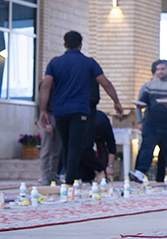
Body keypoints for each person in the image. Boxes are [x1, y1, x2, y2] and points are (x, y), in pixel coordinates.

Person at [40, 31, 123, 186]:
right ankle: (70, 181)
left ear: (64, 44)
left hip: (60, 111)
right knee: (75, 145)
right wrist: (116, 102)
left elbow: (45, 86)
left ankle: (69, 178)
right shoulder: (88, 62)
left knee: (66, 145)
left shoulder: (55, 63)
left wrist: (43, 110)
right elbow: (105, 83)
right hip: (79, 110)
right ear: (80, 45)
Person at [133, 60, 167, 182]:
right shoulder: (150, 85)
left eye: (162, 69)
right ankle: (140, 172)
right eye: (158, 69)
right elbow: (144, 100)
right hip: (152, 123)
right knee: (147, 147)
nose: (160, 72)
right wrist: (140, 106)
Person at [77, 110, 117, 183]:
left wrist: (109, 166)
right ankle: (88, 175)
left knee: (102, 150)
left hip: (99, 123)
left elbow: (112, 147)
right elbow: (85, 151)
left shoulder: (106, 127)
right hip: (85, 128)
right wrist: (99, 168)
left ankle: (102, 175)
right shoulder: (87, 131)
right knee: (83, 153)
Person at [37, 78, 63, 185]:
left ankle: (53, 175)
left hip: (59, 116)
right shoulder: (45, 84)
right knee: (46, 148)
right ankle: (45, 175)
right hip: (48, 116)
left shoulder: (61, 83)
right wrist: (46, 123)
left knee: (57, 149)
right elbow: (41, 103)